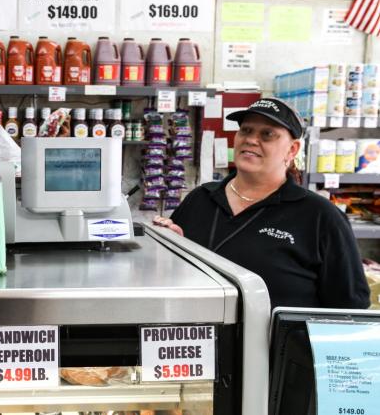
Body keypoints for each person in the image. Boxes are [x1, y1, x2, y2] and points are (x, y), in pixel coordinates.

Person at [154, 97, 370, 310]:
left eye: (267, 134)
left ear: (292, 150)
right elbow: (171, 280)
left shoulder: (320, 216)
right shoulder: (200, 198)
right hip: (196, 331)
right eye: (246, 130)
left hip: (276, 335)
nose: (251, 139)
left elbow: (350, 308)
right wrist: (169, 249)